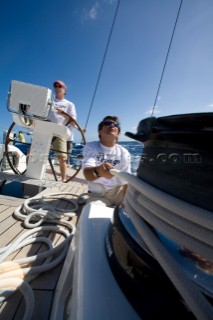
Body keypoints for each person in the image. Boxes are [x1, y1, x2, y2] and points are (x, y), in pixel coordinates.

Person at [82, 116, 131, 207]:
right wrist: (98, 172)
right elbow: (87, 174)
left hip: (119, 193)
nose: (111, 125)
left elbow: (127, 180)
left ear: (118, 133)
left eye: (115, 125)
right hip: (99, 195)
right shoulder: (91, 147)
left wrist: (125, 201)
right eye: (107, 123)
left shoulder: (124, 152)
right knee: (93, 212)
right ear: (100, 131)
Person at [49, 80, 77, 182]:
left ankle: (63, 180)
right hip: (48, 131)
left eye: (60, 86)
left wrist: (64, 114)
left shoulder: (69, 104)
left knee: (64, 158)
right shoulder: (49, 102)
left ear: (65, 89)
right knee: (34, 152)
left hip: (65, 135)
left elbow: (73, 122)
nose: (57, 88)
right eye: (55, 86)